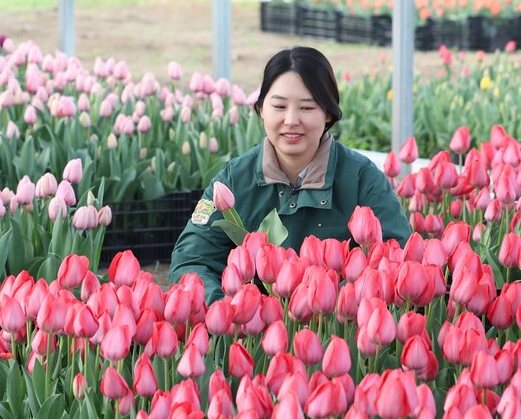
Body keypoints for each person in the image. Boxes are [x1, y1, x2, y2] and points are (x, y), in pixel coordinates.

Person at [168, 46, 411, 302]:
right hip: (250, 333)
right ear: (262, 109)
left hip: (334, 332)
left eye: (306, 108)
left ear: (327, 113)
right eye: (279, 106)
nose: (291, 120)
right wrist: (229, 313)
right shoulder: (234, 180)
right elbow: (191, 260)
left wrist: (329, 305)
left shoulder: (361, 179)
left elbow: (397, 258)